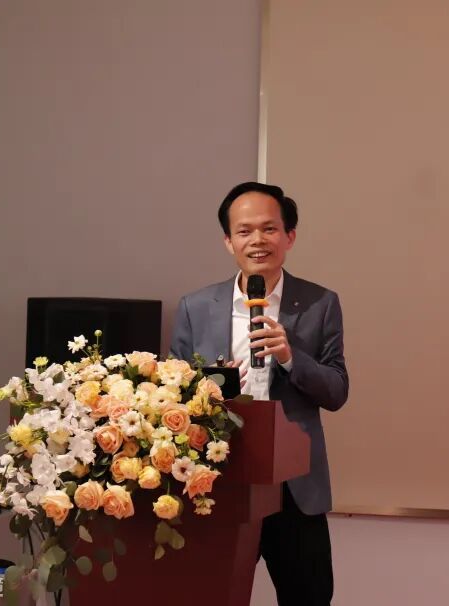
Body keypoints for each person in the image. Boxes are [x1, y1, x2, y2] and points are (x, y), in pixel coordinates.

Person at [169, 181, 348, 605]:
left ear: (289, 236)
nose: (257, 241)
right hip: (221, 480)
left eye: (269, 229)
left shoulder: (320, 303)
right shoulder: (196, 307)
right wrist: (211, 389)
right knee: (212, 596)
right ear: (228, 241)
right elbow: (173, 392)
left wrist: (291, 356)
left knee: (309, 597)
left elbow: (337, 390)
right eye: (245, 231)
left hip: (294, 485)